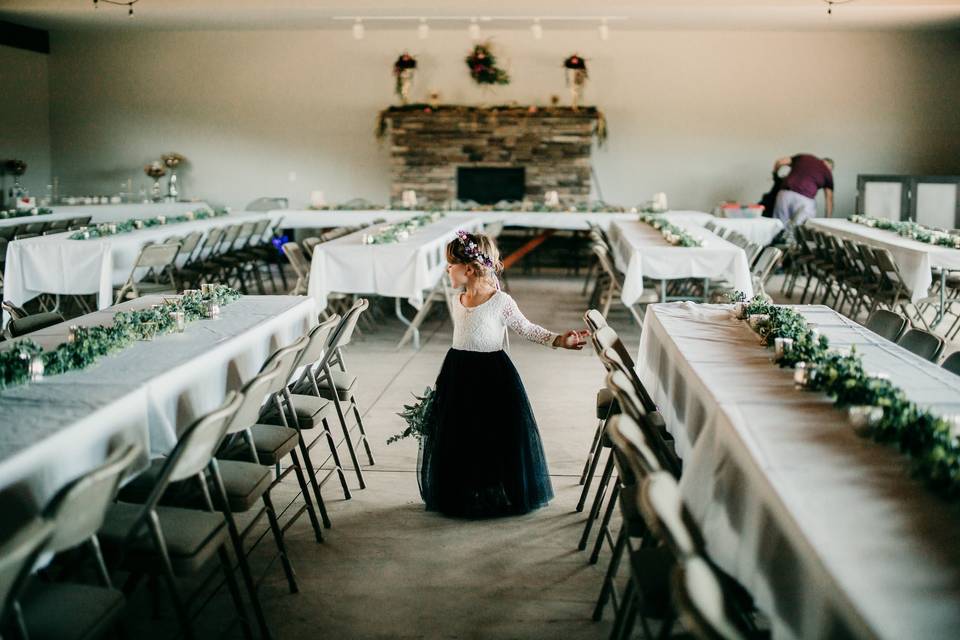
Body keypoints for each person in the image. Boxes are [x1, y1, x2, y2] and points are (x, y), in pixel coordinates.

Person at [418, 230, 588, 518]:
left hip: (491, 376)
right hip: (458, 373)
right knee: (460, 433)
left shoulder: (500, 301)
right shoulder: (457, 299)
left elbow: (527, 328)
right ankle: (462, 491)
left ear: (469, 268)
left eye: (451, 264)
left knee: (491, 434)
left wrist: (559, 340)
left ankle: (494, 492)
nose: (447, 268)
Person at [772, 154, 834, 234]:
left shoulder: (805, 157)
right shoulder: (827, 172)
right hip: (805, 199)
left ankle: (775, 243)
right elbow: (829, 199)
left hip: (784, 194)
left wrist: (775, 175)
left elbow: (780, 162)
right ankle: (793, 241)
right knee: (799, 230)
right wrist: (827, 220)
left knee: (778, 225)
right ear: (830, 167)